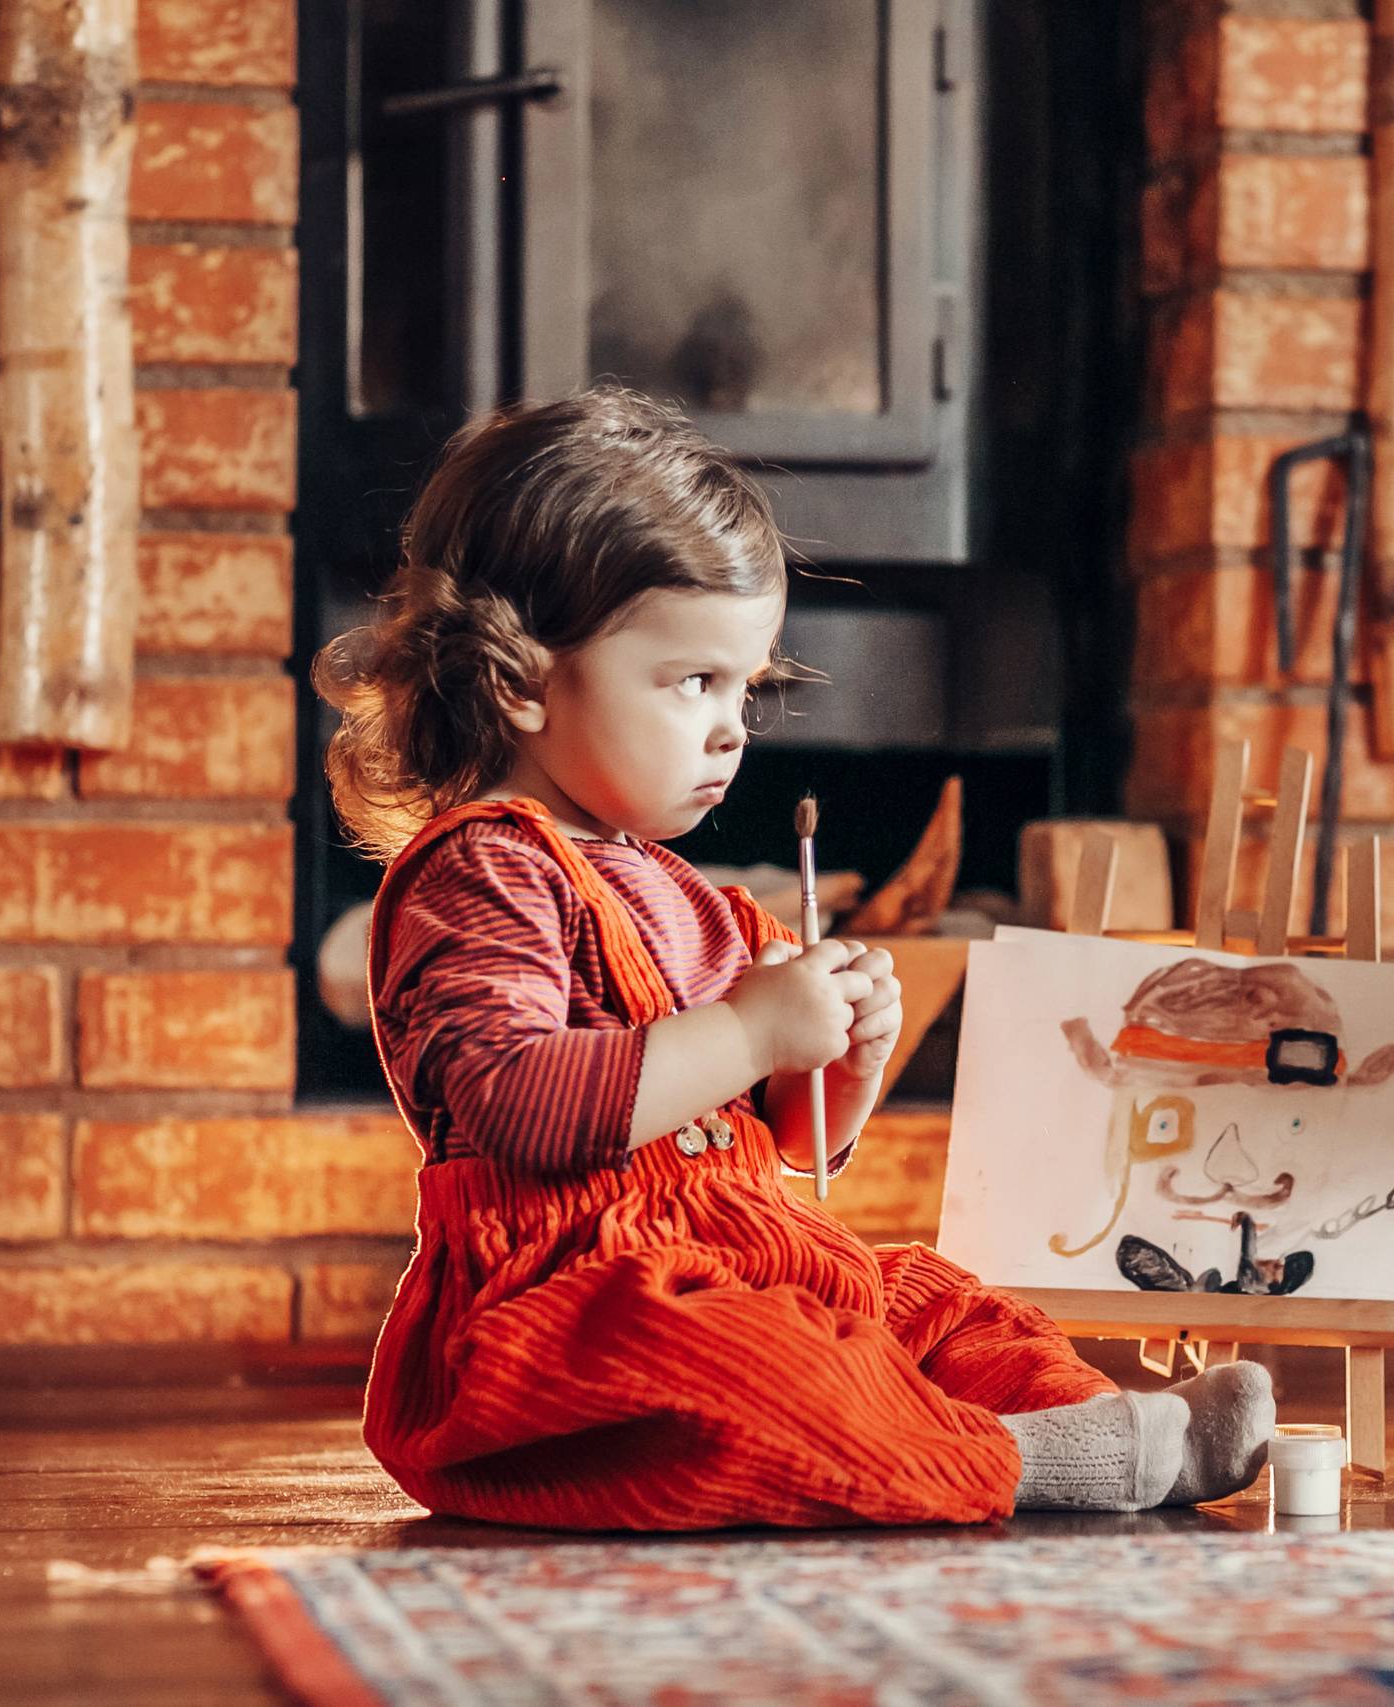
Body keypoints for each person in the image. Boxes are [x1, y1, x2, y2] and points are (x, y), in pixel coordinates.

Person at [318, 388, 1274, 1529]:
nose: (733, 729)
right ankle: (1033, 1467)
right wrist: (750, 1031)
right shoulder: (482, 872)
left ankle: (1111, 1428)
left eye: (745, 688)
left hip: (746, 1256)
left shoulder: (700, 904)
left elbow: (791, 1136)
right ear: (521, 680)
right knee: (768, 1371)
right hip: (572, 1321)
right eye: (691, 683)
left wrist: (840, 1055)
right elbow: (518, 1104)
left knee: (931, 1301)